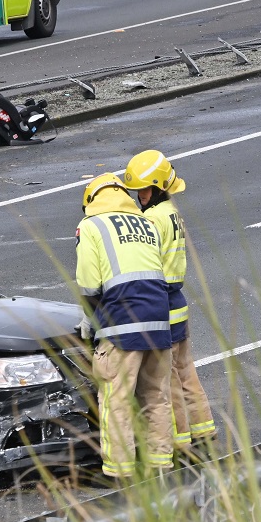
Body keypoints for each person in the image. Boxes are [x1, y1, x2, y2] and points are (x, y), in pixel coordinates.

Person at [75, 173, 173, 480]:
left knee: (115, 398)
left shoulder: (91, 226)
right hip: (159, 319)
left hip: (121, 322)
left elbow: (90, 285)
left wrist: (91, 324)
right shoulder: (146, 223)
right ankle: (161, 464)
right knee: (155, 394)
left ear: (90, 201)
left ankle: (119, 471)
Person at [122, 150, 216, 458]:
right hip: (177, 300)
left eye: (145, 190)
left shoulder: (150, 220)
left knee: (169, 380)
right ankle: (204, 429)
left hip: (162, 303)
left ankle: (180, 441)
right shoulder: (171, 212)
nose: (140, 197)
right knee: (186, 370)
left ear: (160, 187)